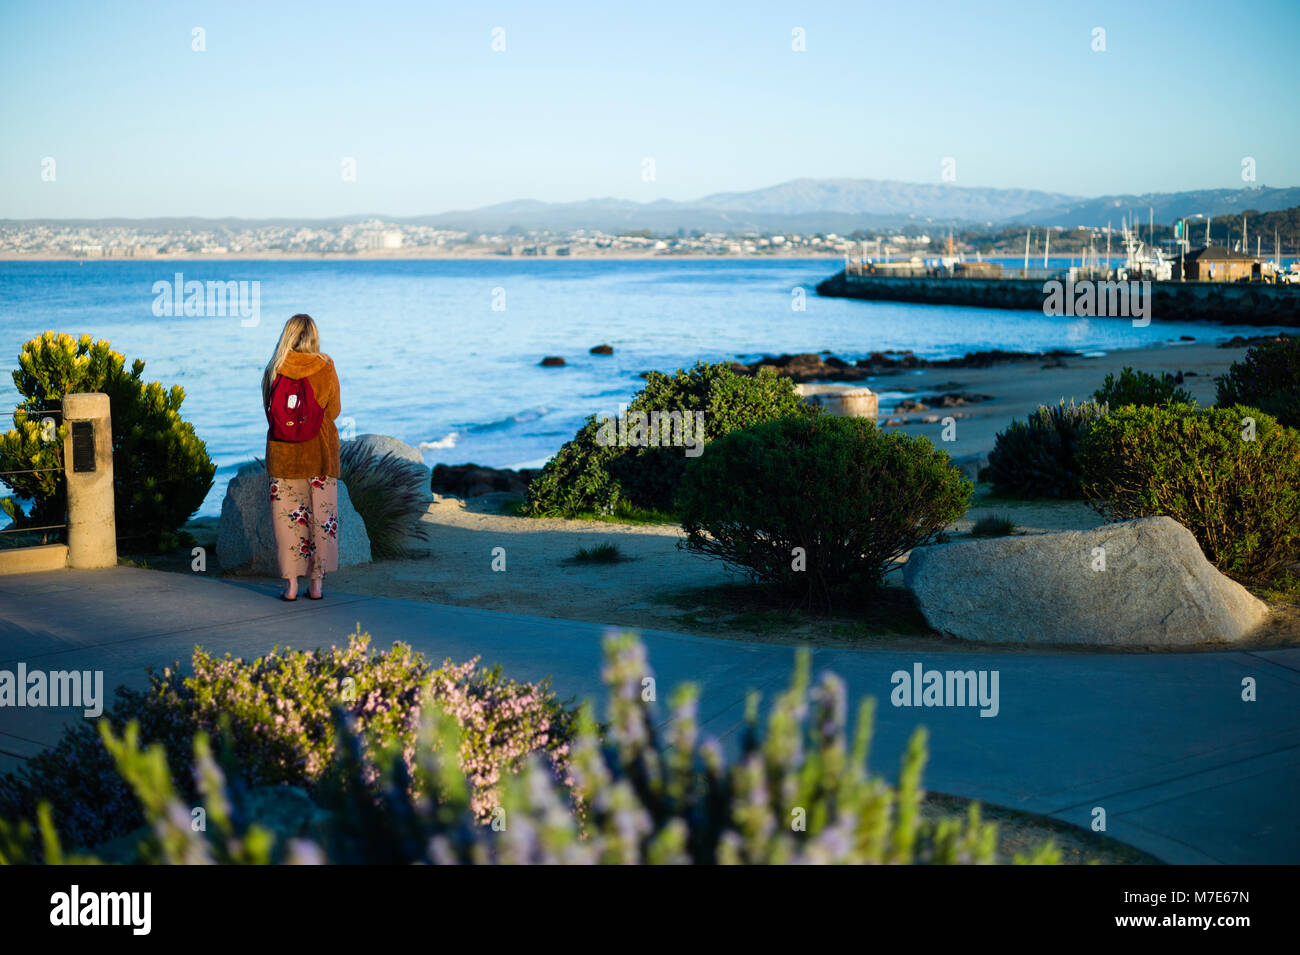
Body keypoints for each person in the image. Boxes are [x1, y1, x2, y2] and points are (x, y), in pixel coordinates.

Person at [261, 313, 342, 600]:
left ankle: (291, 586)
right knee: (320, 520)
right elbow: (333, 411)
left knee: (287, 522)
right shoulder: (326, 366)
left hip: (283, 457)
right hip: (319, 456)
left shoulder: (274, 368)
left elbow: (270, 413)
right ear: (314, 337)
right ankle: (317, 584)